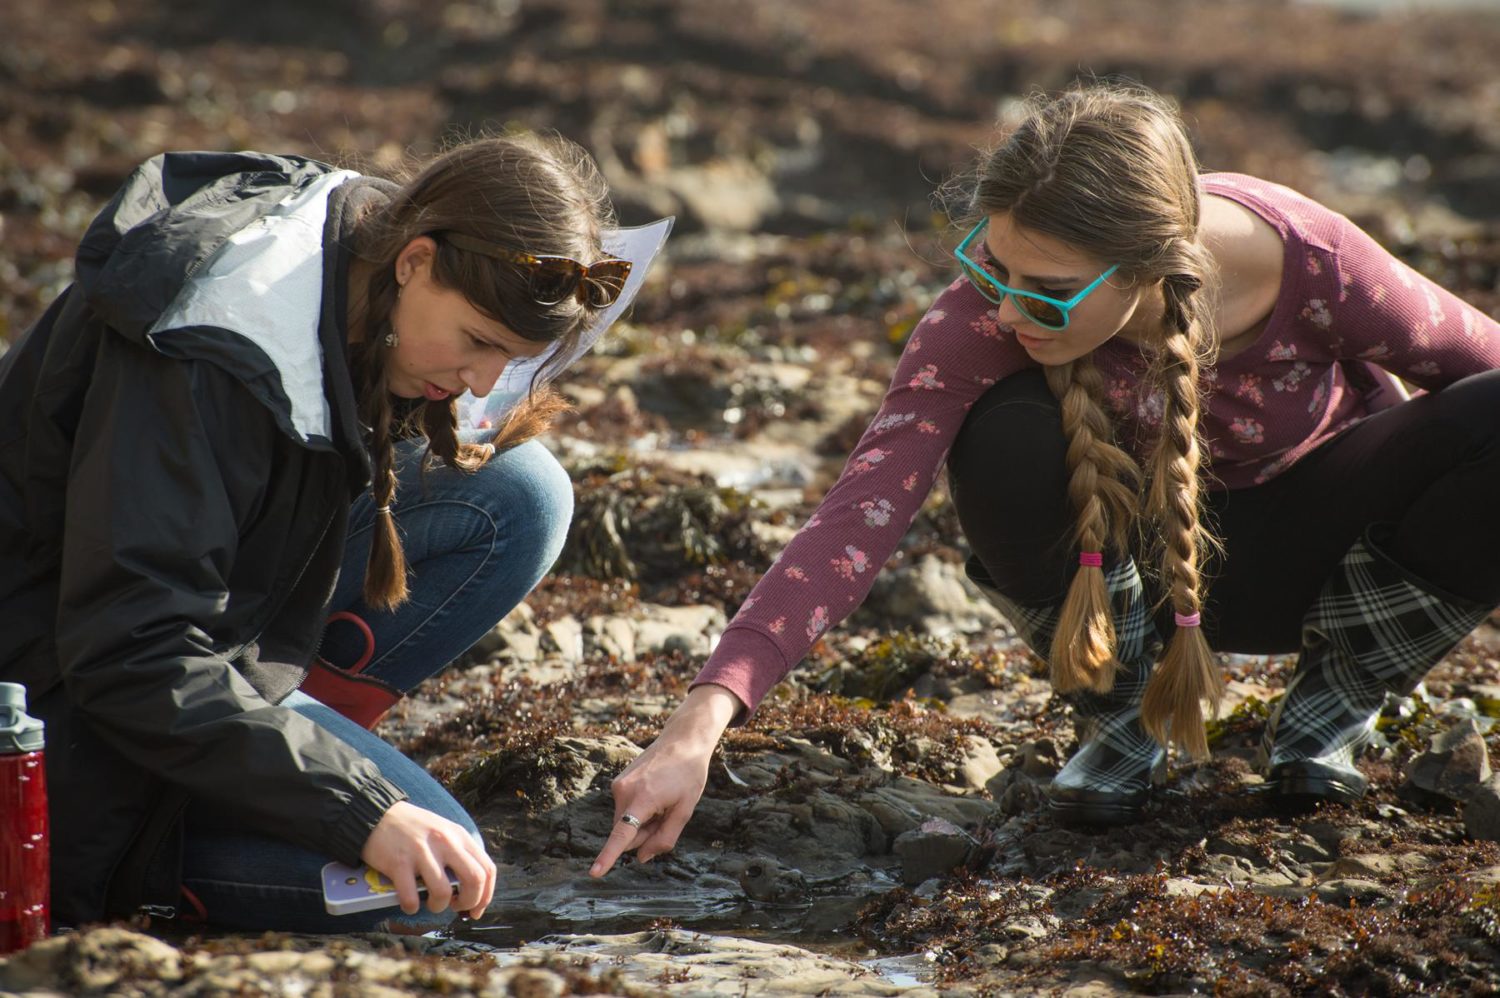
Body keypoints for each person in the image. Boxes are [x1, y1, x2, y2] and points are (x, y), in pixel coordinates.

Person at [589, 80, 1500, 873]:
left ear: (1150, 267)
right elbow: (855, 517)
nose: (1012, 307)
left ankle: (1337, 700)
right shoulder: (983, 316)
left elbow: (1475, 375)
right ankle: (1118, 719)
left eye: (1049, 288)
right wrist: (697, 726)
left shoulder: (1309, 259)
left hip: (1329, 565)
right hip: (1119, 586)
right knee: (1005, 433)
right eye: (994, 266)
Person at [0, 133, 630, 932]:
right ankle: (177, 853)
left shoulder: (362, 235)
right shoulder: (213, 350)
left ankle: (263, 746)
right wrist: (355, 808)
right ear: (417, 262)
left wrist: (446, 399)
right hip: (53, 694)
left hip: (195, 634)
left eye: (509, 360)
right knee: (431, 881)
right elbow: (129, 650)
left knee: (518, 495)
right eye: (477, 343)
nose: (480, 381)